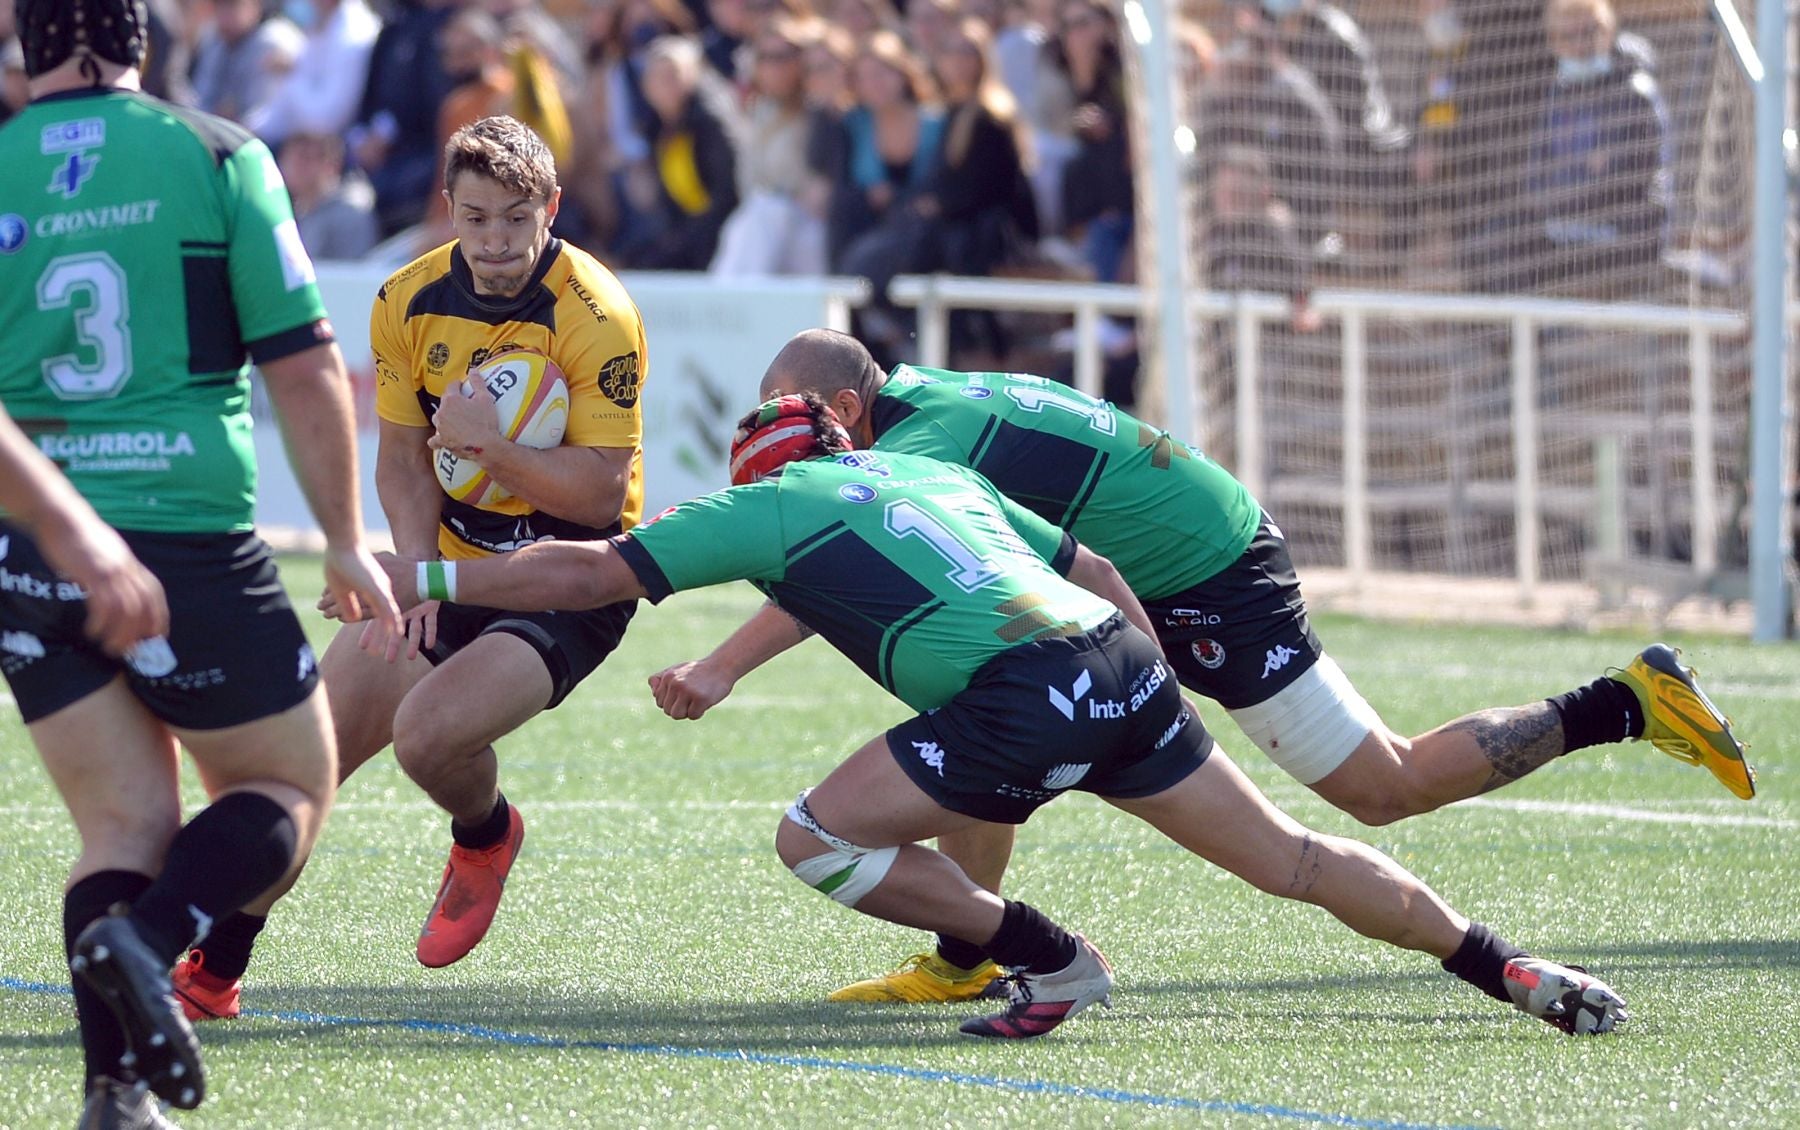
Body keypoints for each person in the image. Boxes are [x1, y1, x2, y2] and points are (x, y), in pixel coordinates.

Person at [360, 393, 1629, 1043]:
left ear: (764, 458)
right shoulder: (927, 468)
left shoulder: (769, 502)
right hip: (1115, 666)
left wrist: (416, 573)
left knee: (816, 837)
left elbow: (584, 571)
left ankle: (1049, 956)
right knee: (1296, 862)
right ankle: (1504, 964)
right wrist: (1149, 684)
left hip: (1023, 697)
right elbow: (1091, 572)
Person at [651, 330, 1755, 1003]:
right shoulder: (913, 401)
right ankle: (970, 945)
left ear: (841, 409)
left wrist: (720, 665)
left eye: (788, 409)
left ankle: (1622, 701)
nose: (778, 429)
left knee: (1383, 784)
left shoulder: (905, 451)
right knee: (986, 708)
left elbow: (837, 557)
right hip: (1157, 561)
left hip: (1208, 572)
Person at [0, 2, 399, 1125]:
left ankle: (114, 1093)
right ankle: (150, 935)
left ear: (22, 44)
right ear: (141, 41)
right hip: (182, 538)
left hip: (27, 539)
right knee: (286, 787)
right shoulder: (218, 152)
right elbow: (304, 358)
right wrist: (342, 532)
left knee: (120, 824)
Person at [171, 115, 650, 1023]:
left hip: (569, 578)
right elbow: (400, 458)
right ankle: (214, 968)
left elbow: (596, 498)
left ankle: (486, 831)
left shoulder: (599, 313)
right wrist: (421, 574)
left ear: (550, 206)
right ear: (448, 211)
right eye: (477, 219)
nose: (498, 242)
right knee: (301, 757)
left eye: (517, 218)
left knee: (430, 735)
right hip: (452, 559)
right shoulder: (406, 298)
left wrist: (489, 449)